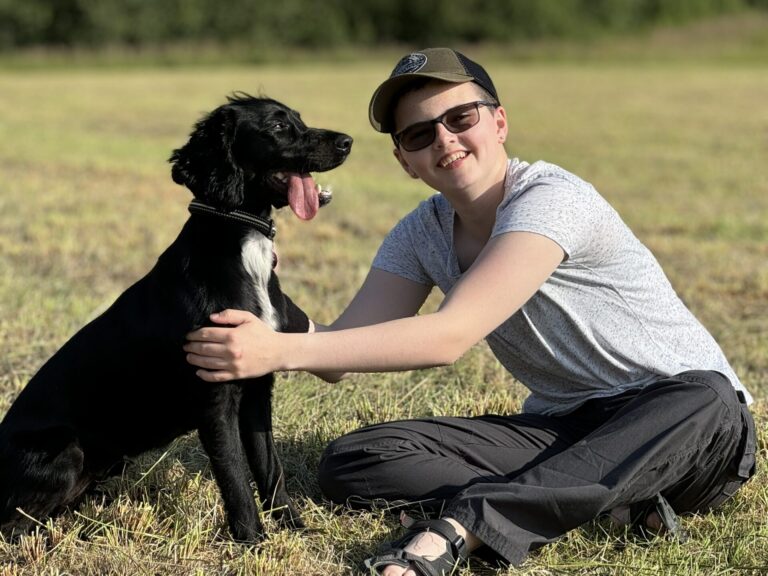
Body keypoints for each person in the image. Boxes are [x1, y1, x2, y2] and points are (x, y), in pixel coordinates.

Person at [183, 48, 756, 575]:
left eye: (461, 118)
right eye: (418, 133)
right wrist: (265, 285)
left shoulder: (552, 199)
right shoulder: (420, 233)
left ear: (499, 122)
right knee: (357, 460)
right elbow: (337, 353)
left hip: (687, 428)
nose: (444, 140)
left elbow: (449, 336)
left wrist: (279, 350)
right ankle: (609, 505)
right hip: (566, 430)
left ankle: (462, 529)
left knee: (703, 394)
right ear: (405, 159)